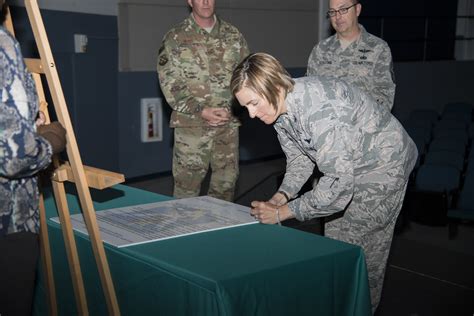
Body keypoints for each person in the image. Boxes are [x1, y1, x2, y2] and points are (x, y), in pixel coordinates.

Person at [231, 52, 417, 313]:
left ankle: (363, 308)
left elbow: (339, 184)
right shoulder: (280, 110)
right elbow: (300, 159)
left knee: (363, 254)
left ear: (272, 87)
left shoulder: (318, 110)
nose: (250, 114)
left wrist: (283, 213)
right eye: (245, 106)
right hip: (349, 165)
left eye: (253, 103)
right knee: (338, 243)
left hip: (383, 165)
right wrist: (280, 197)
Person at [0, 1, 66, 314]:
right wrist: (48, 142)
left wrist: (25, 124)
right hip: (8, 220)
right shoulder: (3, 48)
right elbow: (14, 158)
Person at [157, 0, 249, 201]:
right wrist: (201, 110)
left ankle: (219, 232)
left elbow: (246, 78)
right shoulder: (175, 37)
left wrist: (233, 110)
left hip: (227, 126)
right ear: (189, 1)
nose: (206, 2)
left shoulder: (233, 35)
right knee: (186, 190)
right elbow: (170, 84)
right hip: (192, 127)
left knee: (225, 188)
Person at [307, 0, 396, 110]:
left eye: (343, 9)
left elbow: (385, 98)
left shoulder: (378, 49)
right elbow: (310, 93)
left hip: (363, 124)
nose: (337, 17)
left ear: (357, 9)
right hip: (326, 123)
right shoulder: (320, 50)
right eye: (332, 12)